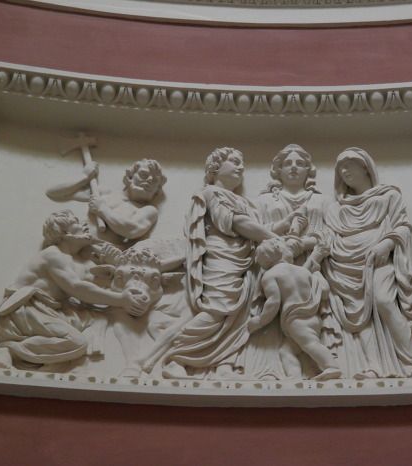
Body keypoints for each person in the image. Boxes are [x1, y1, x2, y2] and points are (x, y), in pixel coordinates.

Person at [143, 147, 277, 379]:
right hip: (220, 256)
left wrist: (285, 229)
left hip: (244, 260)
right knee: (217, 309)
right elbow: (235, 223)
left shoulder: (242, 200)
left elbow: (257, 228)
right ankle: (175, 357)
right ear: (215, 167)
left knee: (239, 314)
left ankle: (224, 364)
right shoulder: (211, 193)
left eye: (242, 163)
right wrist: (274, 238)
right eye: (234, 161)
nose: (240, 167)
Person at [0, 210, 146, 371]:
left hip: (49, 310)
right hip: (25, 311)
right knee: (77, 343)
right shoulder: (53, 255)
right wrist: (121, 299)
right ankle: (10, 352)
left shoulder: (73, 261)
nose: (85, 225)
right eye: (76, 223)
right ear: (64, 233)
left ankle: (53, 360)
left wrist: (112, 261)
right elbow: (77, 288)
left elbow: (92, 289)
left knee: (97, 318)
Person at [321, 147, 412, 378]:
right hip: (344, 266)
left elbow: (403, 227)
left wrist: (387, 244)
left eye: (349, 165)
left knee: (384, 300)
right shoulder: (336, 208)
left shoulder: (388, 196)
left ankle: (410, 363)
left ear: (366, 167)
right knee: (358, 316)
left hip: (378, 261)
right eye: (341, 169)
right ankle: (373, 366)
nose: (344, 171)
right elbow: (329, 235)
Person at [244, 144, 331, 380]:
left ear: (308, 170)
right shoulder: (262, 201)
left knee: (303, 327)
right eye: (287, 163)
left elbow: (329, 234)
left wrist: (303, 244)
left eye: (300, 163)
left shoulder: (321, 201)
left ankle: (316, 367)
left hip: (305, 267)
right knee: (280, 329)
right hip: (273, 262)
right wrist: (281, 236)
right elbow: (254, 231)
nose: (293, 167)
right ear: (278, 170)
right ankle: (274, 371)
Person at [248, 237, 341, 381]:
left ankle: (331, 366)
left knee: (310, 343)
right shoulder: (303, 271)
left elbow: (273, 302)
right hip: (314, 318)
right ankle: (294, 378)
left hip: (296, 320)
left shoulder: (270, 275)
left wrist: (260, 321)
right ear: (280, 250)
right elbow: (324, 291)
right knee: (286, 351)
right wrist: (317, 272)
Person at [46, 159, 167, 242]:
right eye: (143, 175)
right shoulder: (105, 193)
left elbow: (131, 229)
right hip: (74, 247)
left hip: (103, 257)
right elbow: (53, 193)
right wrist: (84, 177)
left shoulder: (149, 211)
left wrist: (102, 209)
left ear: (157, 190)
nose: (149, 181)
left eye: (154, 181)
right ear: (130, 176)